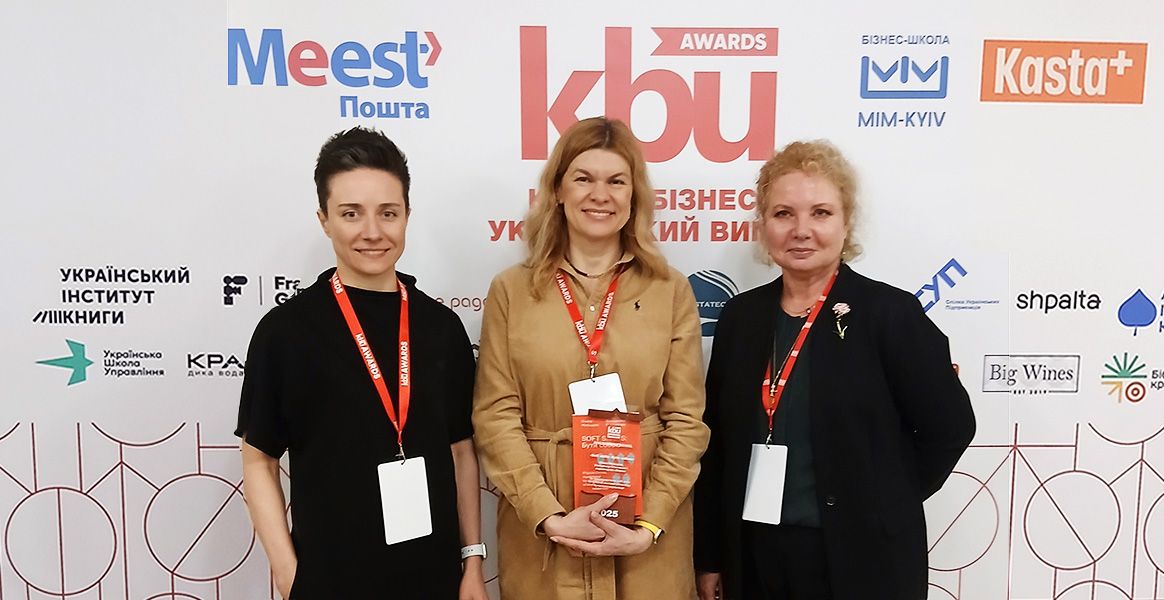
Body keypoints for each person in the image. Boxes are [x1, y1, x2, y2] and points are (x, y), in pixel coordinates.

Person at [693, 140, 976, 599]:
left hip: (861, 559)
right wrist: (710, 557)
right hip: (754, 555)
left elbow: (950, 427)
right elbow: (718, 446)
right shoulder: (741, 318)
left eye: (820, 213)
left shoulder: (890, 314)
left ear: (846, 224)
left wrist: (883, 503)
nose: (801, 230)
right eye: (783, 214)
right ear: (763, 224)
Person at [236, 127, 489, 599]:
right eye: (351, 213)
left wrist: (472, 561)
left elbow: (461, 452)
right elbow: (259, 460)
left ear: (407, 216)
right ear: (324, 220)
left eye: (388, 213)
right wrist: (290, 575)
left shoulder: (441, 327)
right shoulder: (286, 332)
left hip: (435, 581)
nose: (372, 232)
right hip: (330, 583)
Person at [472, 117, 709, 600]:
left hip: (647, 546)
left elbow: (687, 421)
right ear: (558, 190)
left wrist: (648, 523)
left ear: (634, 196)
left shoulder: (670, 290)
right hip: (545, 538)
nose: (600, 194)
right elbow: (495, 416)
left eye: (616, 181)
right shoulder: (511, 291)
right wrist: (547, 514)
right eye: (583, 178)